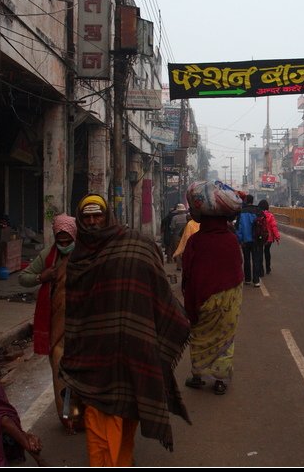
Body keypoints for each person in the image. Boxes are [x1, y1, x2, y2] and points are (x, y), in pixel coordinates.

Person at [59, 194, 191, 465]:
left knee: (126, 417)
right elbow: (75, 311)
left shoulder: (135, 245)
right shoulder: (78, 256)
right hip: (95, 356)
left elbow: (158, 290)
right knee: (99, 422)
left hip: (133, 349)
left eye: (98, 216)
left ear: (108, 217)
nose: (93, 222)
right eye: (87, 217)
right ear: (80, 221)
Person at [19, 214, 82, 433]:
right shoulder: (48, 255)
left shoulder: (86, 253)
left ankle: (86, 416)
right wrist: (42, 277)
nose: (64, 243)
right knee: (60, 373)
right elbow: (24, 277)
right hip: (58, 326)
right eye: (60, 239)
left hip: (82, 326)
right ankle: (68, 417)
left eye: (67, 239)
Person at [182, 181, 245, 396]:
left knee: (199, 335)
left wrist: (189, 302)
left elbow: (187, 275)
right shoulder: (231, 241)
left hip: (201, 298)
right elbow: (238, 269)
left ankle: (198, 375)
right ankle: (220, 380)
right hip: (229, 298)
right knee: (225, 337)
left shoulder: (195, 241)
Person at [236, 194, 264, 287]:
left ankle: (247, 279)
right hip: (256, 240)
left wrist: (240, 240)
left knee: (247, 260)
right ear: (252, 200)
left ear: (246, 200)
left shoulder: (241, 212)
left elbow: (239, 228)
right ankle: (256, 281)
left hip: (245, 240)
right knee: (256, 259)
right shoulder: (258, 211)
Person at [257, 199, 281, 275]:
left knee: (260, 253)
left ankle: (261, 270)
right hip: (269, 238)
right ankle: (268, 268)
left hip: (260, 237)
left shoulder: (257, 214)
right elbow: (274, 227)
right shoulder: (270, 215)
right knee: (267, 252)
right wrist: (277, 237)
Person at [169, 203, 189, 269]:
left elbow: (172, 227)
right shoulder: (187, 216)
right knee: (185, 250)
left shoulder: (175, 218)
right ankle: (186, 264)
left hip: (176, 236)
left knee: (178, 250)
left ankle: (179, 266)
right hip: (185, 235)